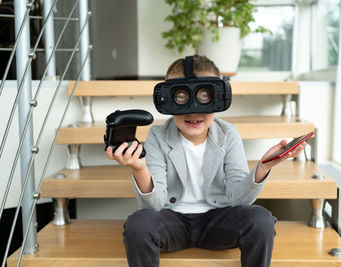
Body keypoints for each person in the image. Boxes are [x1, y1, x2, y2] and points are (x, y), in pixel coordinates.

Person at [106, 55, 306, 267]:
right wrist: (139, 168)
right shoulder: (158, 135)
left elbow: (238, 200)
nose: (193, 111)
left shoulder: (228, 134)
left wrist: (263, 167)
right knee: (138, 225)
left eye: (204, 96)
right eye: (181, 97)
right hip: (172, 221)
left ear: (218, 97)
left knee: (261, 220)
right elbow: (153, 206)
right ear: (168, 99)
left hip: (218, 221)